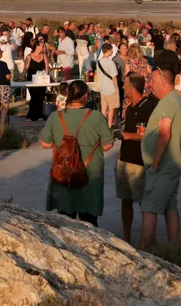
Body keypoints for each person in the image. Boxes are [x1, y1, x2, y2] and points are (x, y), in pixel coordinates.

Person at [39, 80, 115, 227]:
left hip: (64, 173)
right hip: (89, 174)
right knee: (90, 222)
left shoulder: (56, 117)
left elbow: (45, 144)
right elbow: (107, 145)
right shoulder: (96, 116)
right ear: (85, 96)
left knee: (65, 221)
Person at [139, 65, 181, 250]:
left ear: (163, 81)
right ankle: (174, 247)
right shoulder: (175, 99)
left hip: (164, 164)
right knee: (169, 205)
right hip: (174, 161)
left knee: (149, 206)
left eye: (152, 81)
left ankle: (145, 250)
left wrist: (155, 162)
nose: (150, 85)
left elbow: (165, 134)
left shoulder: (167, 102)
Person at [116, 73, 159, 243]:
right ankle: (126, 238)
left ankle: (148, 239)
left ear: (132, 87)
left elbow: (150, 134)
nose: (123, 88)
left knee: (144, 203)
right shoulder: (129, 108)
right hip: (124, 160)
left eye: (125, 85)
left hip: (140, 162)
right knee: (125, 201)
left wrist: (128, 135)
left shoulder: (147, 107)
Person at [23, 41, 49, 121]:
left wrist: (46, 76)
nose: (43, 47)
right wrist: (23, 75)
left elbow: (47, 67)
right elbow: (26, 67)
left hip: (42, 79)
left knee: (41, 97)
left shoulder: (44, 56)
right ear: (37, 46)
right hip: (31, 79)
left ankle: (40, 115)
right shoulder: (29, 56)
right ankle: (31, 115)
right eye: (42, 46)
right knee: (34, 96)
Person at [123, 43, 152, 113]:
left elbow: (127, 75)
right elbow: (150, 71)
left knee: (132, 105)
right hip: (144, 86)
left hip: (134, 87)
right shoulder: (144, 61)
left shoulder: (128, 62)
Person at [97, 43, 119, 128]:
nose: (112, 51)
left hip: (102, 87)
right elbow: (114, 77)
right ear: (108, 51)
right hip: (111, 88)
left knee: (103, 108)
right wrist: (117, 87)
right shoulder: (111, 62)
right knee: (111, 108)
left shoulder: (98, 62)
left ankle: (102, 125)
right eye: (111, 50)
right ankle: (109, 126)